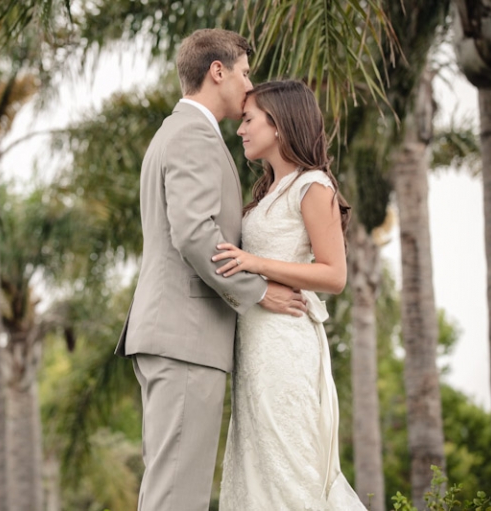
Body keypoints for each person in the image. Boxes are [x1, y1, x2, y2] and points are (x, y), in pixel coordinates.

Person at [114, 30, 307, 511]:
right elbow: (195, 234)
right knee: (178, 496)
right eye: (245, 71)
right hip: (185, 338)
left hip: (179, 337)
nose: (249, 83)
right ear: (216, 71)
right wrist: (260, 291)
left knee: (171, 490)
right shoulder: (192, 134)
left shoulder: (179, 132)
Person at [213, 80, 366, 510]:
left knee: (290, 469)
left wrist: (254, 263)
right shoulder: (265, 195)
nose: (240, 129)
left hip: (286, 345)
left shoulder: (312, 185)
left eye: (248, 119)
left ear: (278, 125)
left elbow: (334, 274)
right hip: (255, 349)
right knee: (258, 468)